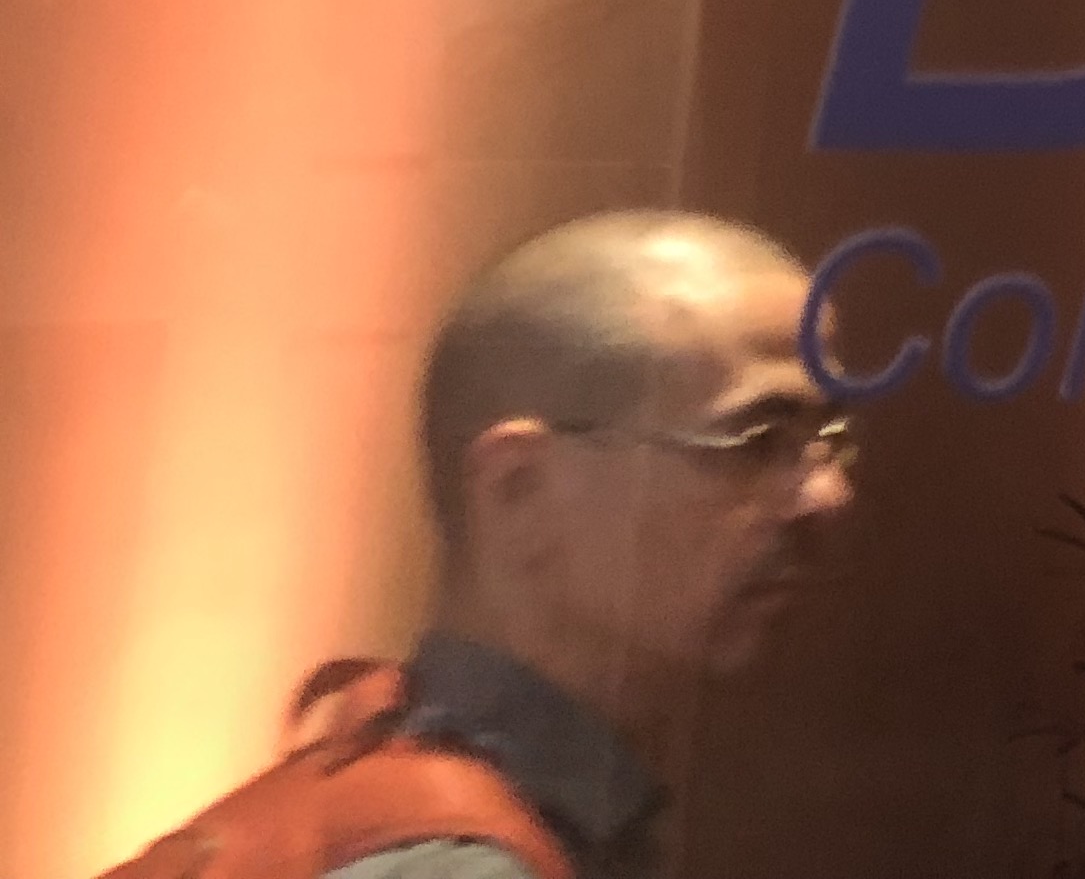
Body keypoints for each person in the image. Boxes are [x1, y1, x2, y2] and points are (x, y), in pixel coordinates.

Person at [102, 210, 856, 879]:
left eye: (827, 441)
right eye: (756, 442)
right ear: (518, 489)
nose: (827, 495)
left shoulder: (385, 781)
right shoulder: (454, 859)